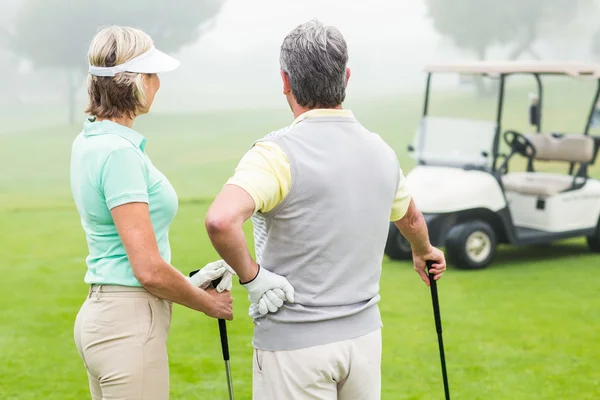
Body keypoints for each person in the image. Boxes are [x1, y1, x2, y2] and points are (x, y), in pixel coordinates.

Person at [204, 19, 447, 400]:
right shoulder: (380, 151)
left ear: (285, 81)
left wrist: (251, 279)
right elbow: (411, 218)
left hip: (293, 348)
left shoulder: (274, 154)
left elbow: (220, 221)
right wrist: (424, 251)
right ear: (346, 77)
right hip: (364, 342)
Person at [70, 26, 234, 400]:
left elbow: (131, 258)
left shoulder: (91, 139)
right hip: (126, 327)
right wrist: (208, 303)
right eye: (152, 74)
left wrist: (189, 283)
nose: (158, 82)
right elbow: (146, 269)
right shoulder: (119, 153)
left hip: (105, 316)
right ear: (134, 82)